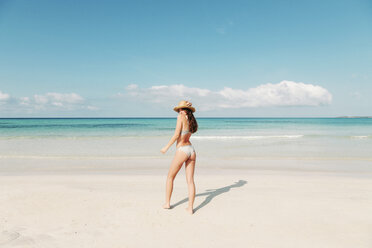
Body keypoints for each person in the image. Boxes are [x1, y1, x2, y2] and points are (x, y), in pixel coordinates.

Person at [160, 100, 198, 214]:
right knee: (190, 181)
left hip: (182, 150)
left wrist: (166, 147)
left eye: (179, 110)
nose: (178, 112)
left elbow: (177, 134)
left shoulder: (180, 117)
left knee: (170, 177)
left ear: (181, 110)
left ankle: (167, 203)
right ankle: (190, 208)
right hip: (192, 150)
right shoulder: (191, 120)